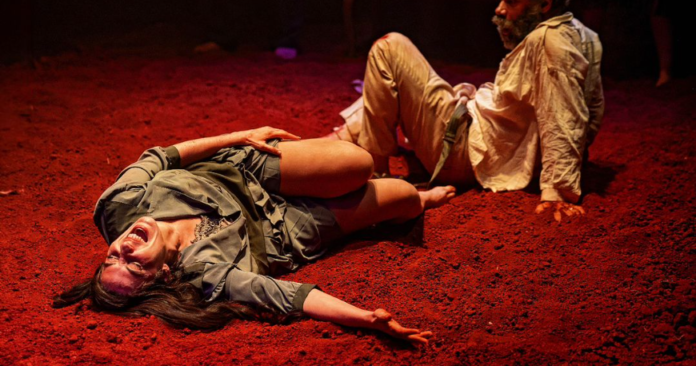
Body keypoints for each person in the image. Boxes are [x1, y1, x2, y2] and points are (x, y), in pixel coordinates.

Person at [54, 126, 456, 345]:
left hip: (239, 174)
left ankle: (331, 157)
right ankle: (413, 194)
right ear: (162, 275)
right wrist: (367, 318)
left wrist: (240, 136)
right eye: (132, 265)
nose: (124, 248)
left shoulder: (119, 205)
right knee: (405, 198)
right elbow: (284, 295)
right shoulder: (203, 273)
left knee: (358, 163)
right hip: (282, 228)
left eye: (112, 257)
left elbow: (163, 156)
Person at [331, 0, 604, 223]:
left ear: (544, 4)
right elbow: (591, 113)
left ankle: (376, 176)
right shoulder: (585, 35)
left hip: (463, 152)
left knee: (390, 48)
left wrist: (558, 190)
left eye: (511, 1)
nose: (499, 9)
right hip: (474, 136)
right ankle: (338, 140)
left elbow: (562, 116)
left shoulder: (549, 41)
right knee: (398, 84)